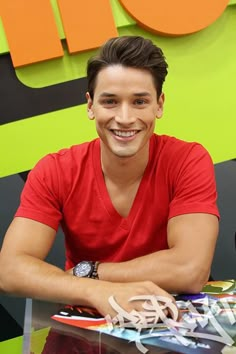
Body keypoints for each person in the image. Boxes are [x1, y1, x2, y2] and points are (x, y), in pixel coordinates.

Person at [0, 36, 219, 319]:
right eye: (110, 102)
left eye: (140, 101)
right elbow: (9, 270)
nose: (125, 117)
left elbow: (189, 270)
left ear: (159, 105)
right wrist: (98, 291)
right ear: (90, 106)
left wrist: (91, 272)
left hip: (174, 320)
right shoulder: (54, 170)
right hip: (88, 319)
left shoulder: (188, 160)